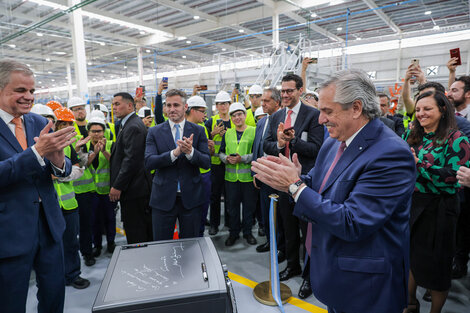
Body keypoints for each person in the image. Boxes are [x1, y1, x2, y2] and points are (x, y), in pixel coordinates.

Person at [252, 69, 416, 313]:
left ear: (356, 108)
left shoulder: (391, 155)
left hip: (365, 287)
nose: (320, 119)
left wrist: (295, 187)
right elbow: (325, 184)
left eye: (328, 111)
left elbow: (353, 222)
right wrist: (297, 178)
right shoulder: (334, 140)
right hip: (333, 270)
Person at [0, 59, 75, 312]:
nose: (29, 97)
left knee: (54, 294)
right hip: (10, 231)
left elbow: (60, 170)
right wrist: (36, 152)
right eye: (20, 90)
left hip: (49, 226)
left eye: (32, 91)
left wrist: (58, 159)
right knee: (11, 301)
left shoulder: (37, 123)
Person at [404, 91, 470, 313]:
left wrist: (419, 165)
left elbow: (453, 177)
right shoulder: (411, 135)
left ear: (442, 110)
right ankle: (411, 302)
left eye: (427, 109)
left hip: (441, 207)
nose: (421, 114)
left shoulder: (457, 139)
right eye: (419, 109)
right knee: (411, 256)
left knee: (439, 265)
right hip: (414, 203)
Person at [263, 73, 324, 282]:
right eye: (283, 91)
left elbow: (317, 149)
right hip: (282, 181)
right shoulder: (276, 117)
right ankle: (293, 266)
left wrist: (294, 140)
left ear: (300, 90)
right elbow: (266, 145)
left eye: (290, 91)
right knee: (287, 226)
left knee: (307, 230)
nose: (286, 94)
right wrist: (280, 144)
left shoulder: (313, 115)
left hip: (304, 181)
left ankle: (310, 275)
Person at [145, 89, 210, 240]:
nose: (171, 109)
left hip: (191, 199)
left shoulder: (199, 130)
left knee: (191, 245)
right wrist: (174, 153)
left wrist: (190, 152)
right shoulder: (154, 132)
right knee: (162, 245)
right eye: (168, 105)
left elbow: (206, 163)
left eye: (176, 105)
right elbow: (149, 162)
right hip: (163, 199)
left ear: (185, 107)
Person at [52, 107, 90, 289]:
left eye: (69, 124)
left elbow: (78, 169)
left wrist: (60, 175)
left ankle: (73, 274)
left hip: (68, 204)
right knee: (51, 247)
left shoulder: (67, 146)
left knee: (71, 243)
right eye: (63, 123)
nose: (67, 127)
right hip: (48, 206)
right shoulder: (38, 146)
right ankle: (55, 277)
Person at [110, 92, 152, 244]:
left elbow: (131, 161)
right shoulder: (127, 124)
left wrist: (117, 186)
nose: (114, 108)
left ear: (129, 105)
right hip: (134, 189)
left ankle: (141, 264)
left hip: (135, 190)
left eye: (117, 104)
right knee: (136, 229)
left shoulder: (133, 126)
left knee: (137, 232)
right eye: (113, 104)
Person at [219, 102, 257, 246]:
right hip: (230, 178)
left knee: (248, 207)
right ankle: (233, 233)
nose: (237, 118)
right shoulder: (228, 133)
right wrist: (226, 159)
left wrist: (243, 159)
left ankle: (248, 233)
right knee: (232, 208)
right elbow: (221, 152)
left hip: (247, 178)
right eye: (234, 116)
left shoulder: (253, 131)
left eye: (239, 114)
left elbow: (257, 154)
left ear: (245, 115)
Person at [253, 88, 284, 256]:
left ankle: (281, 247)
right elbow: (257, 148)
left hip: (278, 176)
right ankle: (271, 242)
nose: (262, 104)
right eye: (262, 100)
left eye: (266, 101)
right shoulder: (261, 122)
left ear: (277, 103)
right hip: (263, 174)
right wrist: (256, 173)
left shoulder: (283, 122)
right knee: (266, 212)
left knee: (279, 215)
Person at [86, 117, 117, 256]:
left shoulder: (111, 144)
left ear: (104, 132)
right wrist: (95, 152)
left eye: (99, 131)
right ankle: (96, 245)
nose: (96, 134)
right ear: (88, 132)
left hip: (107, 190)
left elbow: (116, 163)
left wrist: (104, 150)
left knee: (110, 218)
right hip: (91, 191)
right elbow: (84, 164)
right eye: (93, 131)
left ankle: (111, 242)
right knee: (94, 220)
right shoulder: (84, 146)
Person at [185, 95, 214, 236]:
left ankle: (200, 234)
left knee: (203, 208)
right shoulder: (181, 128)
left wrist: (210, 148)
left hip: (205, 173)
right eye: (202, 111)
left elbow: (207, 156)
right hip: (190, 175)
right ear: (192, 110)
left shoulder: (202, 129)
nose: (204, 115)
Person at [205, 90, 233, 235]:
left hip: (230, 163)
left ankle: (229, 223)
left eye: (225, 103)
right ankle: (214, 224)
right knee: (214, 196)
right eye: (220, 104)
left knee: (229, 195)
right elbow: (203, 139)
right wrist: (213, 133)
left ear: (230, 104)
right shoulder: (211, 121)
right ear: (216, 105)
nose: (223, 106)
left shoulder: (234, 120)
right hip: (215, 164)